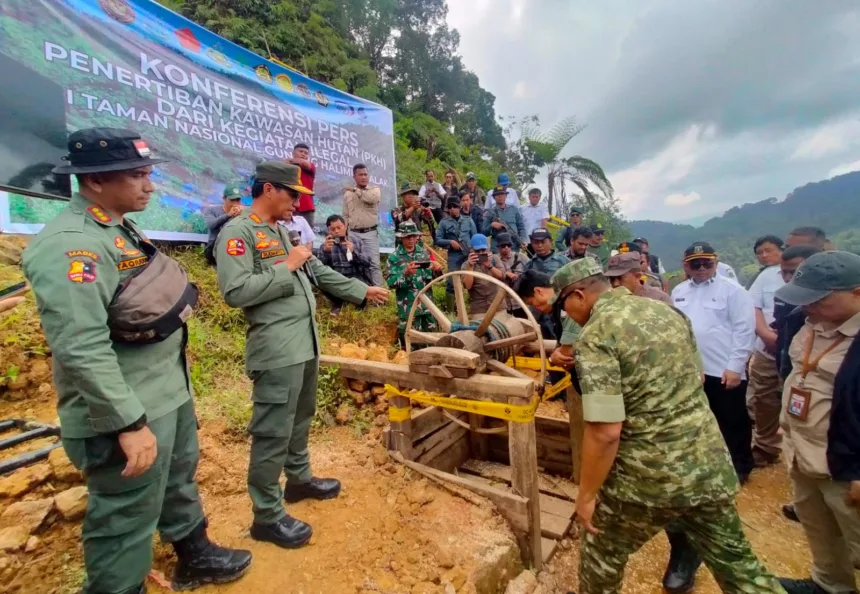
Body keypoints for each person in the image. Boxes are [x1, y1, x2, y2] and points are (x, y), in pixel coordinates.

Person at [22, 127, 252, 593]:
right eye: (137, 176)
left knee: (177, 479)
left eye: (148, 173)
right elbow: (80, 346)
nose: (149, 186)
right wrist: (127, 423)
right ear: (96, 181)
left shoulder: (118, 225)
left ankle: (195, 553)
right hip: (126, 407)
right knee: (125, 516)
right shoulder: (72, 245)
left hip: (164, 390)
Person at [549, 258, 783, 594]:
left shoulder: (597, 336)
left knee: (602, 556)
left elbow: (605, 431)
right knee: (742, 570)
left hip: (647, 479)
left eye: (563, 305)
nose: (567, 314)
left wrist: (586, 495)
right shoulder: (669, 314)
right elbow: (698, 377)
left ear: (577, 296)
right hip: (707, 466)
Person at [217, 161, 389, 550]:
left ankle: (297, 480)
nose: (298, 202)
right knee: (272, 430)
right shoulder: (238, 232)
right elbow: (236, 291)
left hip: (304, 343)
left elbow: (319, 274)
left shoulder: (280, 231)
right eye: (293, 194)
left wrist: (362, 292)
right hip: (276, 349)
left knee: (300, 418)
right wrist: (286, 267)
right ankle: (267, 515)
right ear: (269, 191)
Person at [774, 251, 860, 594]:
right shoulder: (804, 321)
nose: (809, 306)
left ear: (857, 292)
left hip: (844, 462)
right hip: (802, 450)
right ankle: (830, 585)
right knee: (819, 526)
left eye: (819, 300)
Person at [672, 242, 756, 483]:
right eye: (694, 263)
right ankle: (707, 463)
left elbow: (744, 330)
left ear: (716, 263)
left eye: (706, 263)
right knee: (699, 418)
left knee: (732, 419)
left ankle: (740, 465)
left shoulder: (734, 291)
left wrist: (735, 367)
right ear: (685, 265)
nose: (701, 268)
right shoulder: (679, 291)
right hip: (692, 369)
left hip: (723, 369)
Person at [774, 245, 822, 526]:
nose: (808, 305)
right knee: (816, 518)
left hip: (840, 447)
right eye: (786, 273)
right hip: (800, 421)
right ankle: (824, 573)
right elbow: (789, 365)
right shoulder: (799, 319)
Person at [747, 235, 786, 468]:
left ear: (782, 250)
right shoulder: (765, 277)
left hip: (801, 349)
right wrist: (764, 333)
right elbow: (753, 306)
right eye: (759, 252)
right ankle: (766, 445)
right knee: (764, 398)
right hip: (766, 348)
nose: (764, 255)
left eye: (768, 250)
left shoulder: (807, 274)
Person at [386, 221, 444, 346]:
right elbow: (390, 283)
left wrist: (437, 270)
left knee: (433, 344)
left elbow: (435, 280)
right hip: (409, 309)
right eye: (408, 237)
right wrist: (405, 273)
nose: (411, 239)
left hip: (427, 308)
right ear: (401, 238)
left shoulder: (424, 253)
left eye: (414, 236)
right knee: (412, 346)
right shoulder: (394, 257)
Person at [319, 214, 374, 315]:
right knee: (326, 283)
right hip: (337, 278)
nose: (336, 231)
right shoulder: (325, 245)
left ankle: (359, 303)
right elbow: (319, 269)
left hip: (355, 276)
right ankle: (337, 302)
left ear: (345, 226)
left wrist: (354, 252)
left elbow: (367, 263)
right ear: (328, 230)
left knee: (361, 288)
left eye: (339, 227)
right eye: (333, 229)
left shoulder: (356, 242)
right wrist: (325, 252)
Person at [343, 163, 383, 286]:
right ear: (354, 176)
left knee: (374, 264)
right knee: (354, 263)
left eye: (365, 174)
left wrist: (355, 190)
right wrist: (344, 234)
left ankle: (379, 296)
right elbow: (345, 215)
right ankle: (362, 294)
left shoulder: (374, 191)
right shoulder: (347, 195)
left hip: (370, 233)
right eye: (360, 175)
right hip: (353, 234)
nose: (364, 177)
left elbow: (370, 199)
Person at [435, 195, 476, 308]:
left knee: (473, 281)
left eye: (455, 206)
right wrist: (450, 242)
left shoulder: (468, 220)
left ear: (459, 207)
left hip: (468, 254)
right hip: (454, 255)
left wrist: (474, 250)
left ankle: (472, 306)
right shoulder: (443, 223)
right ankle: (451, 311)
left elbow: (475, 237)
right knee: (452, 283)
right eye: (450, 207)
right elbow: (437, 240)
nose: (452, 209)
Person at [461, 234, 508, 315]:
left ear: (488, 249)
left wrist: (490, 266)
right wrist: (470, 266)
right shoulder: (466, 265)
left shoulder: (494, 259)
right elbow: (468, 286)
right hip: (479, 308)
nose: (481, 253)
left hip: (498, 305)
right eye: (477, 251)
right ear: (471, 250)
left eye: (483, 250)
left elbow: (502, 276)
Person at [605, 252, 672, 305]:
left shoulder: (659, 298)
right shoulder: (607, 300)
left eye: (620, 278)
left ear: (637, 276)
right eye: (612, 279)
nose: (615, 283)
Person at [202, 185, 244, 266]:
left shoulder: (242, 212)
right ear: (224, 199)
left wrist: (242, 217)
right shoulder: (212, 210)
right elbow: (211, 224)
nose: (235, 203)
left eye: (238, 200)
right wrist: (228, 215)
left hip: (235, 248)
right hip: (215, 249)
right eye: (232, 200)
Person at [483, 185, 526, 252]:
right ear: (494, 197)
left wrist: (522, 240)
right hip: (497, 249)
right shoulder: (490, 212)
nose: (500, 196)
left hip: (513, 247)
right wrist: (492, 225)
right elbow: (483, 232)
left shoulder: (514, 209)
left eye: (502, 194)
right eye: (497, 195)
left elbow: (521, 227)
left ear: (506, 195)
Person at [290, 142, 317, 229]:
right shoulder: (287, 166)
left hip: (306, 207)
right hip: (289, 204)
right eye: (301, 151)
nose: (303, 154)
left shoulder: (311, 166)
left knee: (308, 235)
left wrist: (291, 160)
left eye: (306, 153)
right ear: (293, 153)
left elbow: (305, 164)